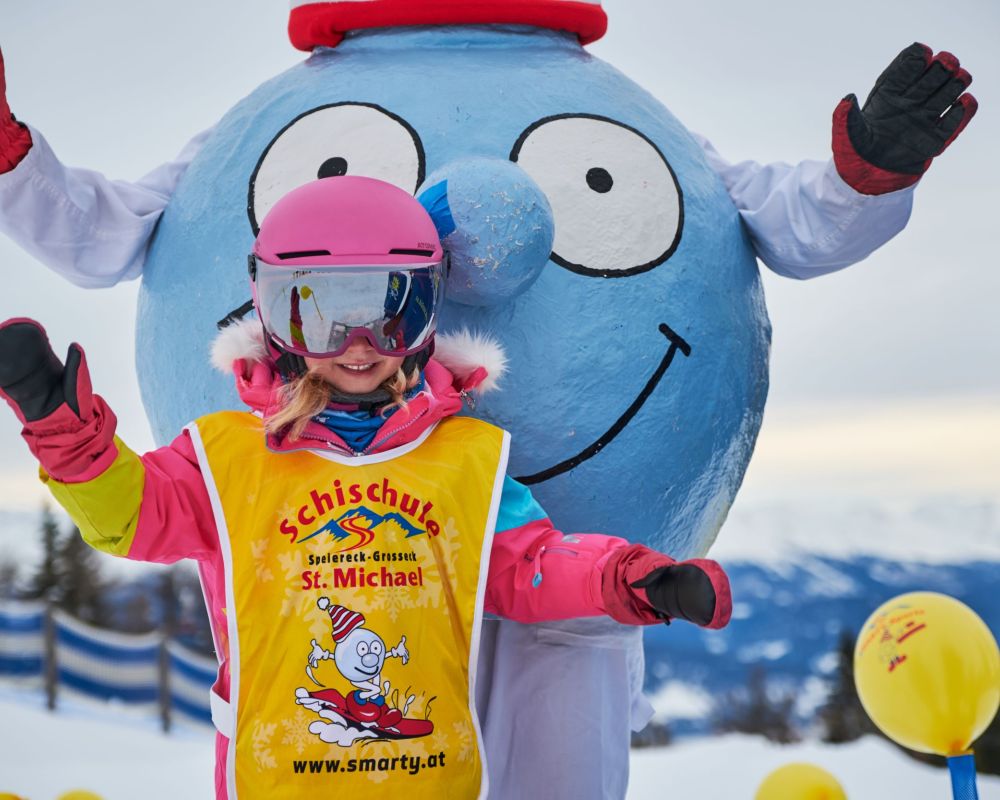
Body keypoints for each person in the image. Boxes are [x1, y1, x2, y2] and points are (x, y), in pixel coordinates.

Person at [0, 176, 732, 800]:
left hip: (430, 776)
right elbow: (133, 516)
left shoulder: (466, 459)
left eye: (391, 311)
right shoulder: (225, 459)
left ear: (427, 309)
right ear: (274, 314)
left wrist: (635, 582)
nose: (359, 344)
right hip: (277, 777)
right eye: (321, 314)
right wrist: (64, 432)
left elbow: (528, 567)